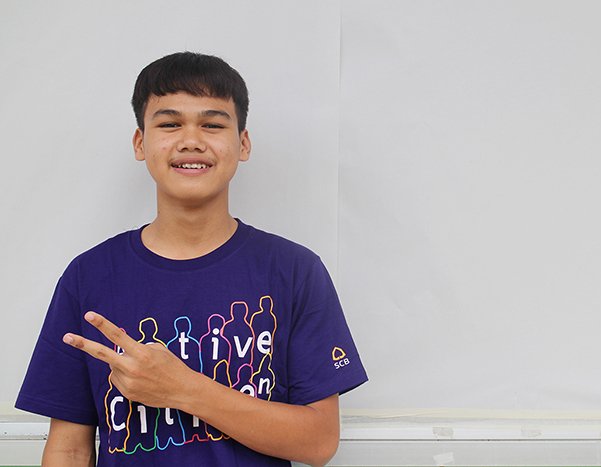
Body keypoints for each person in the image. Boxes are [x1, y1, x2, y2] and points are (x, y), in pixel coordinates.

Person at [16, 51, 368, 467]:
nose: (191, 140)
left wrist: (183, 389)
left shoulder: (294, 271)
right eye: (169, 124)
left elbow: (319, 443)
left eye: (212, 125)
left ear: (243, 143)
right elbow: (70, 448)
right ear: (140, 143)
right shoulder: (89, 275)